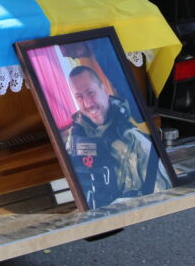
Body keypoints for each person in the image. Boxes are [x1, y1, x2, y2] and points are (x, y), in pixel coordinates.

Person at [64, 66, 170, 208]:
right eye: (79, 96)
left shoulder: (136, 142)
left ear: (104, 90)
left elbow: (164, 201)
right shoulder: (73, 140)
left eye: (90, 93)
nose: (87, 103)